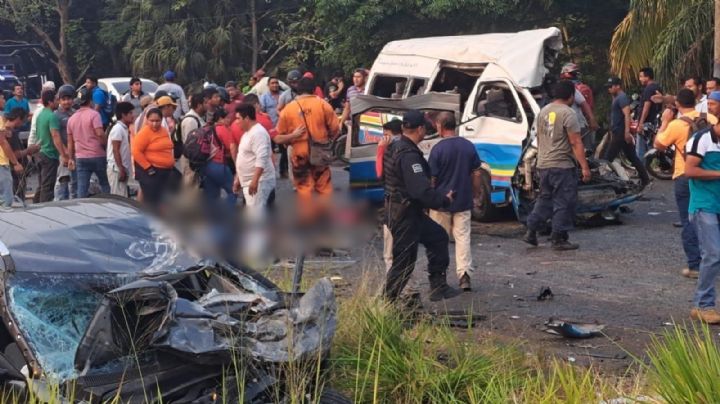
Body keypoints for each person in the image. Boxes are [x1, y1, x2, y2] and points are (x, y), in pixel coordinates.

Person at [382, 109, 459, 302]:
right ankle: (387, 302)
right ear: (420, 129)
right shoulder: (409, 155)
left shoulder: (395, 146)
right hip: (405, 214)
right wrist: (443, 200)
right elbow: (420, 191)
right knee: (404, 260)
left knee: (438, 238)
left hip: (406, 210)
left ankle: (438, 286)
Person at [654, 89, 717, 279]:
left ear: (678, 105)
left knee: (689, 221)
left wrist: (665, 121)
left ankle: (695, 265)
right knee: (713, 216)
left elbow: (658, 145)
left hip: (685, 175)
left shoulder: (675, 124)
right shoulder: (711, 119)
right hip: (709, 175)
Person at [523, 80, 591, 250]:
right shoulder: (568, 113)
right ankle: (558, 237)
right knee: (564, 201)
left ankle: (531, 230)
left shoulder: (543, 112)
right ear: (570, 96)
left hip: (543, 164)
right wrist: (584, 167)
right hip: (562, 165)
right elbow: (576, 142)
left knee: (545, 199)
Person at [427, 112, 482, 291]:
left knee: (438, 240)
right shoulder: (468, 146)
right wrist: (474, 193)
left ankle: (439, 275)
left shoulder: (437, 149)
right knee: (463, 237)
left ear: (440, 126)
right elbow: (477, 173)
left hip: (441, 203)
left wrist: (429, 199)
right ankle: (464, 275)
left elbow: (432, 179)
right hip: (463, 200)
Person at [274, 77, 340, 217]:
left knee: (304, 186)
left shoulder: (289, 108)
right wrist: (328, 140)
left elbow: (279, 136)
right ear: (314, 89)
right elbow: (335, 129)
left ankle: (307, 216)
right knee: (323, 185)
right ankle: (324, 214)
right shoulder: (323, 105)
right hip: (320, 151)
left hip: (299, 153)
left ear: (298, 89)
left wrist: (292, 138)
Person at [684, 115, 720, 324]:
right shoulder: (701, 139)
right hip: (704, 205)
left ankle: (702, 305)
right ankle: (704, 305)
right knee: (713, 253)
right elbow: (690, 170)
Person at [605, 77, 652, 187]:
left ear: (617, 86)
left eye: (611, 87)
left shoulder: (622, 98)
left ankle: (608, 183)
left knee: (607, 159)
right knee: (632, 156)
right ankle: (645, 179)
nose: (609, 89)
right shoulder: (617, 97)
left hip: (621, 133)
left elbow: (627, 115)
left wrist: (627, 132)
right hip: (619, 132)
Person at [67, 88, 111, 198]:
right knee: (104, 183)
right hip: (97, 155)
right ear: (90, 100)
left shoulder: (71, 119)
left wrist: (71, 158)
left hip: (81, 157)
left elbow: (70, 143)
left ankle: (83, 210)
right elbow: (100, 134)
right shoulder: (94, 115)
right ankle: (109, 206)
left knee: (82, 188)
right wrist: (106, 146)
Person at [132, 108, 179, 207]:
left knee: (164, 199)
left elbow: (168, 147)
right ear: (147, 120)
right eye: (151, 121)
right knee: (153, 202)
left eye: (157, 121)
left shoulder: (164, 131)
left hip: (165, 171)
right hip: (151, 172)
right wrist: (148, 167)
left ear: (161, 120)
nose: (154, 124)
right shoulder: (144, 133)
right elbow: (136, 152)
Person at [233, 103, 276, 209]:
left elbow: (261, 159)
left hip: (260, 181)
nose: (236, 122)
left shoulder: (258, 133)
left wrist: (255, 181)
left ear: (247, 118)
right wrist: (238, 178)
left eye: (238, 119)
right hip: (250, 180)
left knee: (256, 216)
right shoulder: (248, 133)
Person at [376, 119, 403, 272]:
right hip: (407, 201)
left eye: (385, 134)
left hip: (393, 201)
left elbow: (379, 173)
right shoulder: (409, 147)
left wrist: (380, 150)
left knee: (390, 243)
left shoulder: (390, 149)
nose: (383, 138)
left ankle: (391, 277)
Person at [34, 89, 68, 203]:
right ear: (50, 102)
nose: (58, 102)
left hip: (40, 153)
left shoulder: (41, 114)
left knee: (42, 184)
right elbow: (55, 136)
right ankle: (45, 210)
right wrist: (63, 154)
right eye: (56, 100)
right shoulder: (52, 116)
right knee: (48, 187)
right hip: (49, 154)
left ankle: (35, 207)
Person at [201, 108, 238, 206]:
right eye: (227, 118)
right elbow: (231, 147)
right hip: (219, 165)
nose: (229, 120)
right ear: (221, 118)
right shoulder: (222, 128)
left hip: (207, 165)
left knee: (212, 195)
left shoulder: (209, 128)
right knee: (233, 191)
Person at [560, 63, 598, 150]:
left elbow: (584, 104)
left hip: (577, 125)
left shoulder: (573, 88)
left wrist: (591, 120)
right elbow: (586, 105)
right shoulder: (575, 88)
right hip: (573, 126)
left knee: (585, 150)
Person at [53, 84, 77, 200]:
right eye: (64, 99)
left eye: (69, 99)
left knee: (75, 181)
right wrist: (65, 154)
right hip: (64, 153)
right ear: (59, 100)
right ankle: (60, 204)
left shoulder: (75, 113)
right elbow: (55, 136)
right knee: (63, 179)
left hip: (76, 152)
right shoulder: (56, 115)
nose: (67, 102)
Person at [106, 102, 134, 197]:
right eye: (130, 113)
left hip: (120, 169)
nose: (132, 116)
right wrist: (120, 168)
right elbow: (115, 150)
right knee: (118, 199)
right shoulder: (118, 129)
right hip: (116, 170)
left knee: (123, 196)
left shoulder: (124, 128)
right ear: (123, 114)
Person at [0, 108, 26, 210]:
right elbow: (3, 142)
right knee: (6, 200)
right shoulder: (1, 120)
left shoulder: (3, 121)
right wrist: (15, 163)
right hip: (2, 162)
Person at [637, 67, 663, 157]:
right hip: (654, 122)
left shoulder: (648, 89)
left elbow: (646, 107)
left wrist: (641, 123)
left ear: (647, 77)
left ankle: (641, 169)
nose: (640, 79)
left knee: (641, 149)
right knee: (650, 148)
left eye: (641, 76)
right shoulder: (657, 87)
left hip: (647, 123)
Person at [28, 81, 56, 146]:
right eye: (46, 90)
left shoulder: (55, 110)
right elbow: (34, 129)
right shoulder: (39, 111)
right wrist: (30, 145)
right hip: (41, 148)